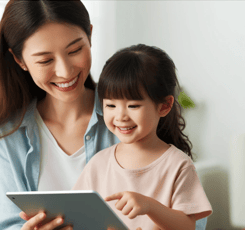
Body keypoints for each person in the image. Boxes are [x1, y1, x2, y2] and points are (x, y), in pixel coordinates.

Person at [0, 0, 208, 229]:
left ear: (90, 36)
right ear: (19, 60)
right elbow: (6, 224)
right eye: (45, 60)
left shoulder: (129, 121)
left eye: (75, 50)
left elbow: (192, 218)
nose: (65, 71)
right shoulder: (10, 133)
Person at [72, 44, 213, 230]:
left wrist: (149, 206)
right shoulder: (98, 164)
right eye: (111, 106)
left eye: (133, 106)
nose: (121, 116)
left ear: (164, 106)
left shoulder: (178, 165)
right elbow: (77, 217)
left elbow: (187, 226)